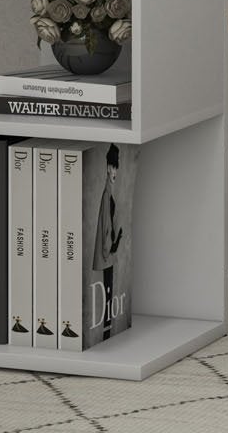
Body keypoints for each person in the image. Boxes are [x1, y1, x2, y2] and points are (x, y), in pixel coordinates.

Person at [90, 144, 123, 341]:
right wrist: (108, 248)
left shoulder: (109, 191)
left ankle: (107, 331)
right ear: (108, 168)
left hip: (109, 251)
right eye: (113, 167)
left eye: (116, 167)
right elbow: (104, 225)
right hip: (107, 254)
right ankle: (106, 332)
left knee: (110, 291)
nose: (115, 172)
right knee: (108, 291)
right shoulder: (106, 193)